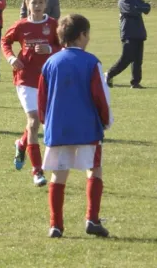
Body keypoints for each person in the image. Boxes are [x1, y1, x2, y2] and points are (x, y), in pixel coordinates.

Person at [38, 14, 113, 238]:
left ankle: (56, 225)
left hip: (58, 127)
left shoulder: (50, 62)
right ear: (82, 35)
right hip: (87, 126)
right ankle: (92, 219)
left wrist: (46, 121)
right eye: (87, 34)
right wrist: (106, 121)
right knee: (94, 169)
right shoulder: (91, 62)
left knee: (59, 174)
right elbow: (101, 96)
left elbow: (42, 98)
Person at [2, 0, 60, 187]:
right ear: (27, 4)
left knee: (39, 122)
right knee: (34, 121)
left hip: (47, 79)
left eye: (40, 2)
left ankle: (21, 143)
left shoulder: (53, 25)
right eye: (32, 2)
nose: (36, 6)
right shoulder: (21, 25)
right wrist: (10, 58)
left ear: (46, 4)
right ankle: (37, 171)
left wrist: (50, 48)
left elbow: (63, 46)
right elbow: (5, 41)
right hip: (25, 78)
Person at [105, 0, 151, 89]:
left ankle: (135, 82)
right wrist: (140, 8)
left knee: (138, 60)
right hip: (128, 33)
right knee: (126, 58)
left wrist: (139, 7)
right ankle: (108, 74)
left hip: (139, 33)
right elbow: (132, 11)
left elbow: (148, 8)